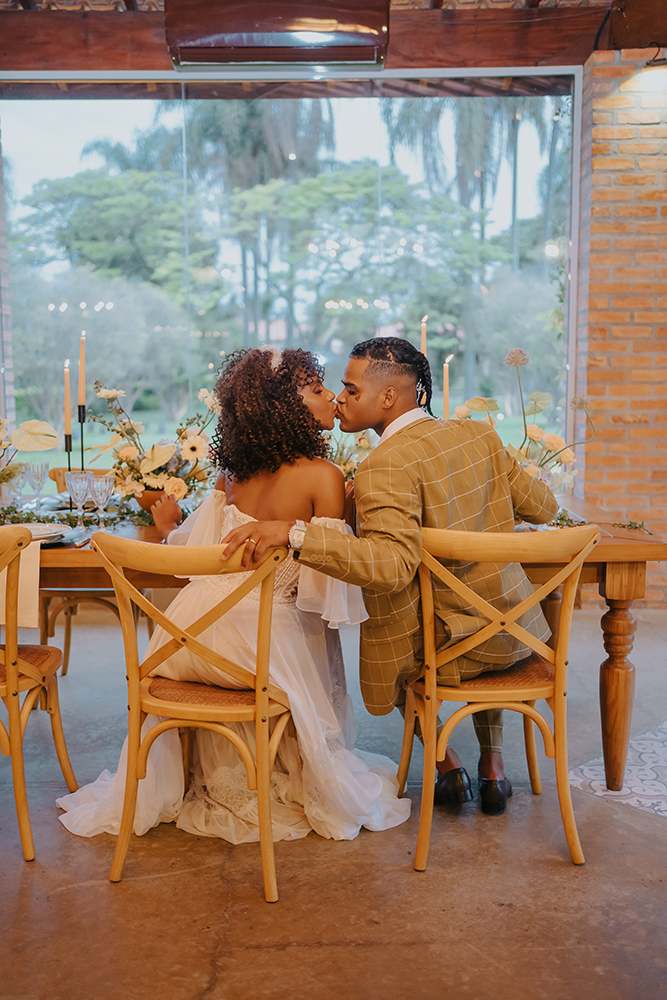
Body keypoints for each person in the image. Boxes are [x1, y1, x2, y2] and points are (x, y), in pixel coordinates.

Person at [57, 347, 410, 844]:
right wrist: (347, 522)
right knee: (301, 630)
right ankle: (276, 772)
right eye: (316, 389)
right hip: (257, 651)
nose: (331, 396)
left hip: (181, 642)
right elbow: (328, 594)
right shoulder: (323, 477)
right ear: (284, 408)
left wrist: (168, 528)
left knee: (279, 628)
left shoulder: (230, 476)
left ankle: (216, 774)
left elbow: (195, 555)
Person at [222, 337, 559, 816]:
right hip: (518, 634)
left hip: (451, 649)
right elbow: (544, 507)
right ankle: (493, 769)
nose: (340, 399)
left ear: (388, 398)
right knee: (484, 604)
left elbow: (392, 567)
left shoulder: (383, 465)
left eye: (350, 390)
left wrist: (295, 535)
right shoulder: (480, 435)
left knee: (398, 631)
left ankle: (447, 764)